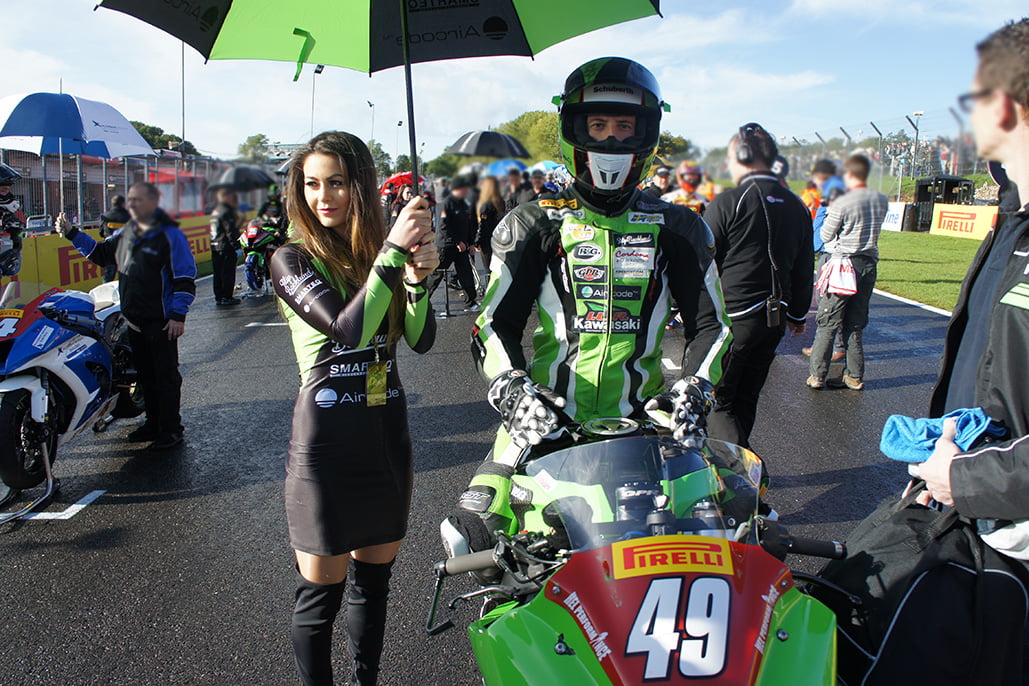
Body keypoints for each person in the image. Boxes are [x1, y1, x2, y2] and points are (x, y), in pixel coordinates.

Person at [451, 56, 732, 543]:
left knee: (720, 531)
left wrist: (695, 388)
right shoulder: (531, 223)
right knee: (473, 534)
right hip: (543, 424)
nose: (610, 140)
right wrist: (514, 392)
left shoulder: (681, 227)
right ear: (572, 129)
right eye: (597, 124)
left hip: (650, 424)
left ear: (647, 134)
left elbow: (714, 326)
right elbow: (493, 325)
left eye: (625, 126)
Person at [269, 131, 438, 686]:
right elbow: (346, 330)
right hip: (325, 448)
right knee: (320, 597)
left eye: (337, 182)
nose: (324, 196)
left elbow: (418, 339)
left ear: (361, 187)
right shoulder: (290, 257)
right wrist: (394, 255)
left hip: (385, 436)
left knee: (374, 585)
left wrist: (417, 279)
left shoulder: (376, 259)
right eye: (312, 184)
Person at [55, 182, 196, 451]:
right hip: (133, 319)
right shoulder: (126, 233)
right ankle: (153, 424)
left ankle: (171, 429)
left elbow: (185, 278)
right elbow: (101, 254)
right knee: (145, 376)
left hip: (162, 321)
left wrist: (178, 316)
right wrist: (72, 233)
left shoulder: (171, 235)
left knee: (165, 377)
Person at [702, 123, 813, 449]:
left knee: (720, 402)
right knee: (747, 397)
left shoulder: (729, 201)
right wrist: (797, 313)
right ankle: (736, 466)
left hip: (734, 319)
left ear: (742, 155)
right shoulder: (797, 205)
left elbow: (701, 261)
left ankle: (737, 473)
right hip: (774, 321)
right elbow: (805, 268)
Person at [806, 153, 888, 390]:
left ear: (849, 174)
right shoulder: (880, 199)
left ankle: (817, 375)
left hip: (843, 263)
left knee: (828, 322)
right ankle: (854, 375)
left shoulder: (842, 200)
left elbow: (825, 234)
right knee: (855, 323)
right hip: (868, 263)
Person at [426, 175, 479, 311]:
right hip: (447, 245)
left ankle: (470, 301)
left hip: (462, 246)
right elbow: (444, 226)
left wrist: (471, 243)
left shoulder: (465, 203)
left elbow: (470, 224)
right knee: (436, 274)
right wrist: (457, 241)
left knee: (466, 272)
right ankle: (422, 301)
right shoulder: (446, 203)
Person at [210, 188, 241, 306]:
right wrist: (236, 246)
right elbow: (230, 231)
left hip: (215, 245)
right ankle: (227, 296)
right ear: (226, 197)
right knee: (227, 272)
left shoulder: (216, 211)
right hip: (225, 246)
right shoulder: (227, 211)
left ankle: (219, 296)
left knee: (217, 272)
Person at [98, 194, 131, 282]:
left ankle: (106, 293)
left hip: (109, 246)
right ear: (123, 204)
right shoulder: (129, 216)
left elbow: (101, 232)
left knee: (109, 274)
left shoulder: (106, 216)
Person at [475, 175, 505, 270]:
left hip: (487, 239)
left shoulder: (486, 204)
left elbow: (483, 224)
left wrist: (477, 241)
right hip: (500, 238)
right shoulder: (501, 202)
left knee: (488, 269)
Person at [0, 171, 24, 277]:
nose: (8, 195)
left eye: (7, 190)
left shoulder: (12, 212)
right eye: (3, 190)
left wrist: (17, 236)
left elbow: (21, 232)